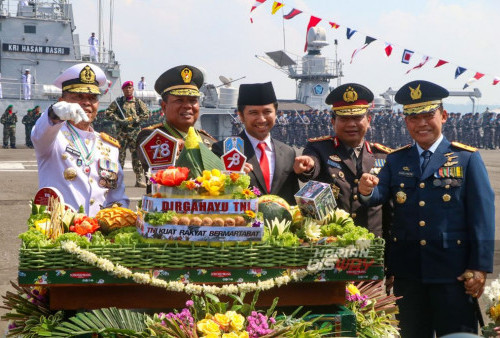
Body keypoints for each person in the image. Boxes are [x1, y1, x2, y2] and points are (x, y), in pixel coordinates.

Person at [358, 80, 495, 337]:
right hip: (409, 274)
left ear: (443, 116)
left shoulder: (466, 158)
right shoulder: (397, 159)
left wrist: (479, 266)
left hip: (453, 274)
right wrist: (366, 190)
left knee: (455, 334)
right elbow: (378, 194)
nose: (421, 123)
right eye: (413, 117)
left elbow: (482, 216)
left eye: (427, 115)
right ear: (406, 122)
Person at [293, 83, 392, 237]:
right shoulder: (319, 148)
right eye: (344, 118)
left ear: (369, 120)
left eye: (357, 117)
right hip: (330, 243)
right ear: (333, 122)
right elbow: (313, 165)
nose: (351, 124)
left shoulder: (383, 155)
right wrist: (308, 166)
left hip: (372, 245)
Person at [31, 63, 129, 216]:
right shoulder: (52, 135)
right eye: (78, 97)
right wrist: (54, 113)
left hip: (98, 234)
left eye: (93, 97)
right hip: (58, 233)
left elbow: (116, 196)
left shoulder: (109, 146)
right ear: (62, 100)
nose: (87, 103)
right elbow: (39, 133)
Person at [211, 82, 300, 205]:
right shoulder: (223, 150)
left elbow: (293, 199)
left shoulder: (288, 152)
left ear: (276, 113)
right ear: (241, 116)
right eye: (253, 113)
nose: (262, 119)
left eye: (267, 112)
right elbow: (212, 194)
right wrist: (230, 176)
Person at [136, 65, 217, 192]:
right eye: (179, 100)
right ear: (164, 106)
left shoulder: (209, 141)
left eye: (192, 100)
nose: (187, 106)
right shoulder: (151, 137)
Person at [104, 80, 150, 187]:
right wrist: (119, 120)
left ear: (133, 89)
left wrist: (136, 119)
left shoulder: (138, 102)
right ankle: (117, 180)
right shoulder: (118, 102)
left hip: (135, 133)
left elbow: (146, 114)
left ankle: (139, 180)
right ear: (123, 90)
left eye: (130, 88)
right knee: (120, 157)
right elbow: (108, 112)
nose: (128, 90)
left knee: (137, 157)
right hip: (122, 133)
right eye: (126, 88)